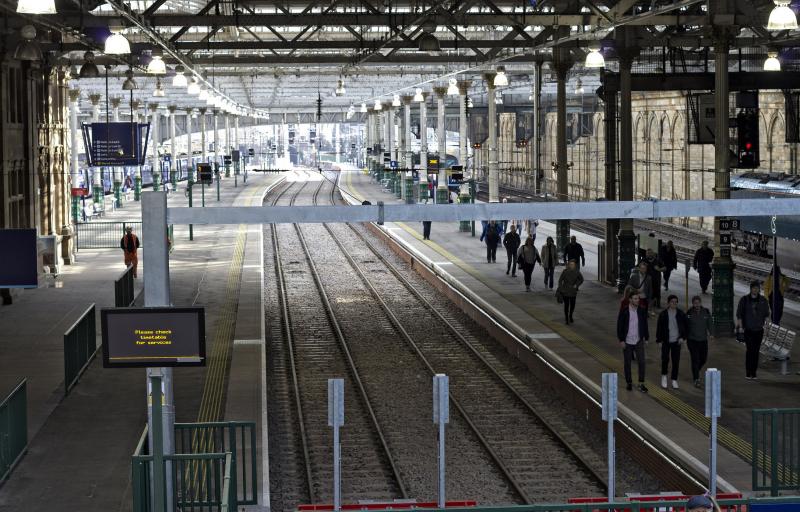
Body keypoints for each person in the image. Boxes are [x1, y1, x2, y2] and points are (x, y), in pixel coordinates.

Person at [736, 281, 771, 380]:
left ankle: (754, 372)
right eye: (754, 288)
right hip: (748, 330)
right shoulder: (744, 300)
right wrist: (740, 327)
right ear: (750, 289)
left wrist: (767, 327)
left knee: (756, 351)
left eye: (757, 288)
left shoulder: (763, 300)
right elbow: (739, 314)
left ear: (759, 289)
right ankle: (748, 372)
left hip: (759, 330)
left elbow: (766, 315)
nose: (755, 290)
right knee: (750, 350)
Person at [617, 289, 649, 392]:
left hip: (638, 340)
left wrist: (646, 337)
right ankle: (629, 382)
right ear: (630, 300)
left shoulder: (642, 310)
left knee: (642, 362)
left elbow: (645, 325)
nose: (637, 300)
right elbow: (619, 326)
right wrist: (621, 340)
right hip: (627, 341)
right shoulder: (624, 311)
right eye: (635, 299)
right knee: (627, 363)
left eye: (638, 298)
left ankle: (641, 383)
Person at [656, 295, 688, 389]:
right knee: (665, 359)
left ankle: (674, 379)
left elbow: (686, 327)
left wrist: (683, 337)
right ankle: (664, 376)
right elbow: (659, 328)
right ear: (668, 303)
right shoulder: (663, 314)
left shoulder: (681, 314)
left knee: (676, 361)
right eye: (672, 302)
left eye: (675, 302)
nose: (674, 303)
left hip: (676, 342)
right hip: (666, 341)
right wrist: (659, 340)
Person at [686, 295, 714, 387]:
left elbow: (710, 323)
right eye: (695, 303)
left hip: (703, 340)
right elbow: (685, 325)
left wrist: (711, 333)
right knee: (695, 359)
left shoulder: (706, 312)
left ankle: (696, 370)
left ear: (700, 303)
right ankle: (696, 379)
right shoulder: (689, 313)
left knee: (703, 359)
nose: (697, 305)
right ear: (693, 304)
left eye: (698, 303)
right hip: (692, 340)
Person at [557, 259, 584, 324]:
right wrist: (561, 288)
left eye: (573, 265)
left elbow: (581, 279)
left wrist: (576, 285)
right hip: (565, 291)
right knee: (566, 305)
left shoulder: (577, 272)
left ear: (575, 265)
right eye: (571, 264)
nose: (572, 266)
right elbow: (560, 280)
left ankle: (570, 315)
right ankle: (566, 318)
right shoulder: (565, 271)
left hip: (573, 291)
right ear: (569, 265)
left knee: (572, 305)